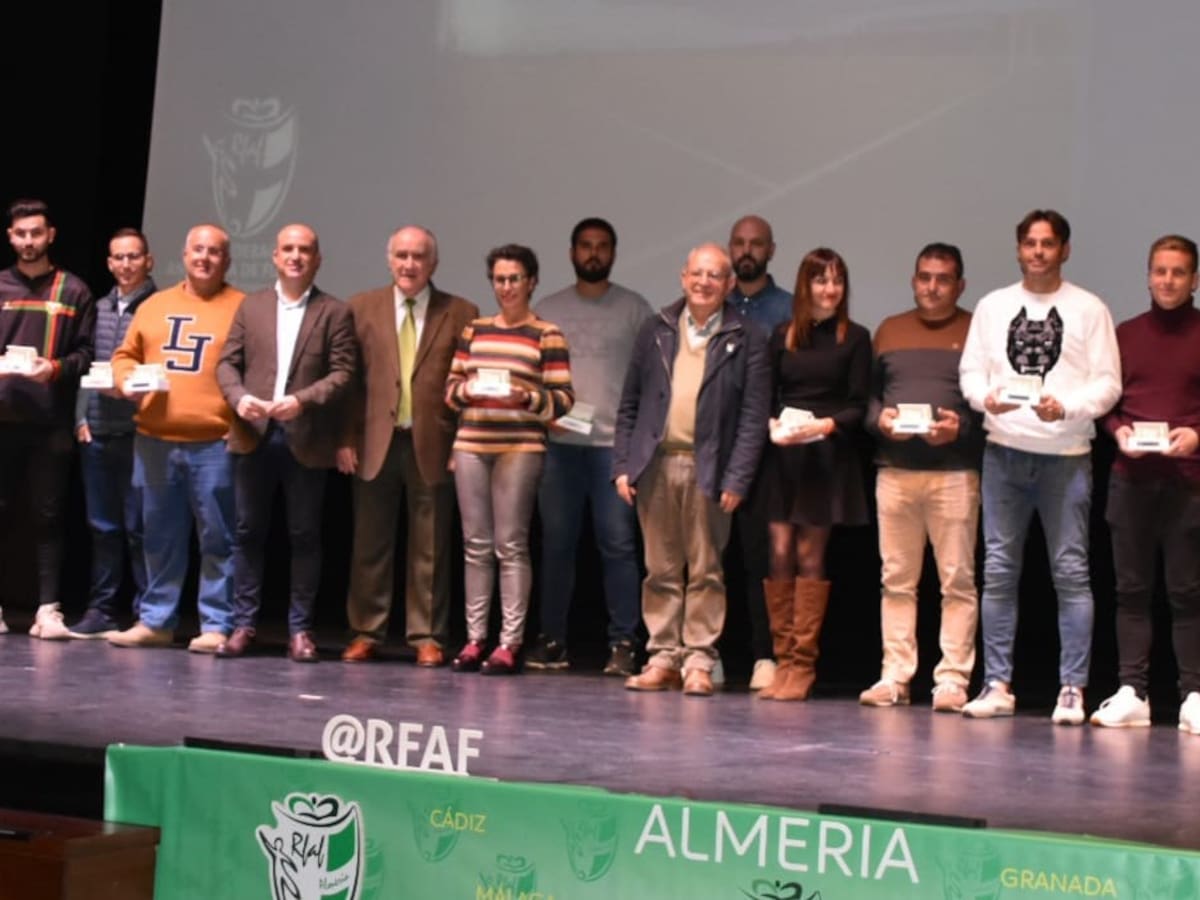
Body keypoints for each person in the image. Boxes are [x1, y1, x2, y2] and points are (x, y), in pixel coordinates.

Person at [959, 209, 1120, 723]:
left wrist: (1067, 408)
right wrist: (987, 399)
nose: (1038, 252)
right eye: (1029, 243)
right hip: (1003, 451)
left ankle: (1072, 688)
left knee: (1070, 575)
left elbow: (1108, 384)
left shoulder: (1089, 309)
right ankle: (996, 684)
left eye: (1048, 244)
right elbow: (970, 372)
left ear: (1064, 250)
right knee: (999, 572)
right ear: (1018, 249)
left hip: (1066, 459)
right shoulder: (992, 306)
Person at [614, 243, 769, 697]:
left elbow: (753, 417)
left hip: (710, 469)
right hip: (656, 464)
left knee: (705, 569)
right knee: (659, 568)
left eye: (714, 276)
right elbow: (630, 403)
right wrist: (624, 465)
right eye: (697, 274)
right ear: (683, 277)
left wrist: (738, 476)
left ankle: (699, 659)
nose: (704, 282)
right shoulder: (656, 328)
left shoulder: (749, 336)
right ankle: (662, 656)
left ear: (729, 284)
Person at [215, 224, 356, 662]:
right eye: (288, 249)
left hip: (306, 437)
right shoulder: (249, 306)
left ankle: (300, 630)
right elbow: (227, 364)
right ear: (275, 257)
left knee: (305, 535)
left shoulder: (335, 311)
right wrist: (239, 401)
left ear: (317, 259)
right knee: (246, 533)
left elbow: (343, 373)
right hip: (253, 435)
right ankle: (243, 625)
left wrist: (302, 400)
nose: (296, 256)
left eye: (305, 250)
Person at [339, 226, 478, 665]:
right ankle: (366, 631)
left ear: (432, 264)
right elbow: (349, 382)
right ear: (389, 259)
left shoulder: (460, 312)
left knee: (432, 546)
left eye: (418, 257)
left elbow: (467, 385)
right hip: (375, 440)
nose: (409, 264)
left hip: (434, 442)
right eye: (401, 255)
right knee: (369, 544)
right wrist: (345, 439)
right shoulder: (360, 307)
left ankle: (427, 636)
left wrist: (463, 443)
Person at [107, 223, 245, 652]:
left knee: (218, 539)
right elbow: (124, 354)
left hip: (216, 443)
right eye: (197, 250)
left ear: (227, 259)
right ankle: (156, 621)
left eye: (214, 251)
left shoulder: (243, 307)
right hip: (154, 440)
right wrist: (126, 380)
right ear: (184, 256)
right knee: (158, 537)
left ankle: (216, 625)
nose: (204, 257)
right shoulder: (155, 305)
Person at [858, 243, 983, 712]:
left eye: (943, 278)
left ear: (960, 285)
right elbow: (868, 400)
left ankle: (952, 679)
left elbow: (984, 403)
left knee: (957, 582)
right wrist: (880, 422)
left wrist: (960, 430)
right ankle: (895, 676)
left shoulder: (976, 330)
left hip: (954, 474)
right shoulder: (889, 330)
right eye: (924, 277)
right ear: (913, 280)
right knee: (897, 581)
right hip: (895, 472)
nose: (932, 287)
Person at [526, 217, 651, 676]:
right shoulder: (547, 308)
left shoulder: (636, 310)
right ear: (572, 252)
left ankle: (623, 643)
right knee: (557, 544)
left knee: (617, 545)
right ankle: (552, 639)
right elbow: (533, 376)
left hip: (612, 450)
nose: (593, 254)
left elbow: (650, 381)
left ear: (613, 253)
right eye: (585, 246)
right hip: (559, 445)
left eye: (602, 247)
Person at [444, 244, 574, 675]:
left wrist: (528, 397)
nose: (506, 287)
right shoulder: (474, 330)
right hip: (472, 444)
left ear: (532, 281)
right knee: (474, 546)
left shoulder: (546, 333)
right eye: (499, 279)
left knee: (511, 544)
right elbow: (451, 390)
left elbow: (563, 399)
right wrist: (469, 393)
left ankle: (509, 642)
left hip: (519, 447)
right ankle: (475, 638)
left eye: (514, 279)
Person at [1091, 234, 1200, 733]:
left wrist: (1196, 435)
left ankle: (1193, 695)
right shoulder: (1125, 335)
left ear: (1194, 279)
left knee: (1187, 593)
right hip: (1130, 481)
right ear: (1148, 275)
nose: (1168, 280)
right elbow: (1107, 406)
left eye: (1179, 272)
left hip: (1188, 483)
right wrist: (1119, 434)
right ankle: (1132, 691)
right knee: (1131, 591)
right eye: (1160, 271)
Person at [759, 247, 871, 702]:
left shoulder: (855, 337)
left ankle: (803, 664)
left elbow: (860, 404)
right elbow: (766, 396)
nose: (829, 289)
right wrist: (773, 427)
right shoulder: (783, 335)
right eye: (820, 280)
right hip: (784, 456)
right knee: (779, 550)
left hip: (826, 456)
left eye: (837, 280)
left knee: (809, 554)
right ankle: (782, 659)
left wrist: (825, 425)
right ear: (804, 286)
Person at [0, 198, 95, 639]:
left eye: (36, 233)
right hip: (2, 418)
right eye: (21, 234)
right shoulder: (0, 285)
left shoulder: (73, 290)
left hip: (50, 421)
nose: (29, 241)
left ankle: (47, 609)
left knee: (48, 515)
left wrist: (54, 368)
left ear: (50, 235)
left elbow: (87, 354)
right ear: (10, 237)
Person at [68, 228, 156, 638]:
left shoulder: (159, 306)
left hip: (140, 430)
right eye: (118, 257)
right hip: (98, 429)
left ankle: (146, 612)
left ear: (148, 261)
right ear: (108, 263)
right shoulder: (99, 306)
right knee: (102, 525)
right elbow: (88, 362)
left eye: (133, 257)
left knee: (141, 527)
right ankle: (102, 609)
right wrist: (81, 416)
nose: (126, 265)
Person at [725, 214, 794, 691]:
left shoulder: (790, 311)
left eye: (756, 244)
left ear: (771, 250)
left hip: (769, 456)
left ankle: (763, 655)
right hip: (711, 448)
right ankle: (704, 653)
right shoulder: (712, 305)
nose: (747, 250)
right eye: (739, 243)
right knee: (706, 560)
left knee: (759, 560)